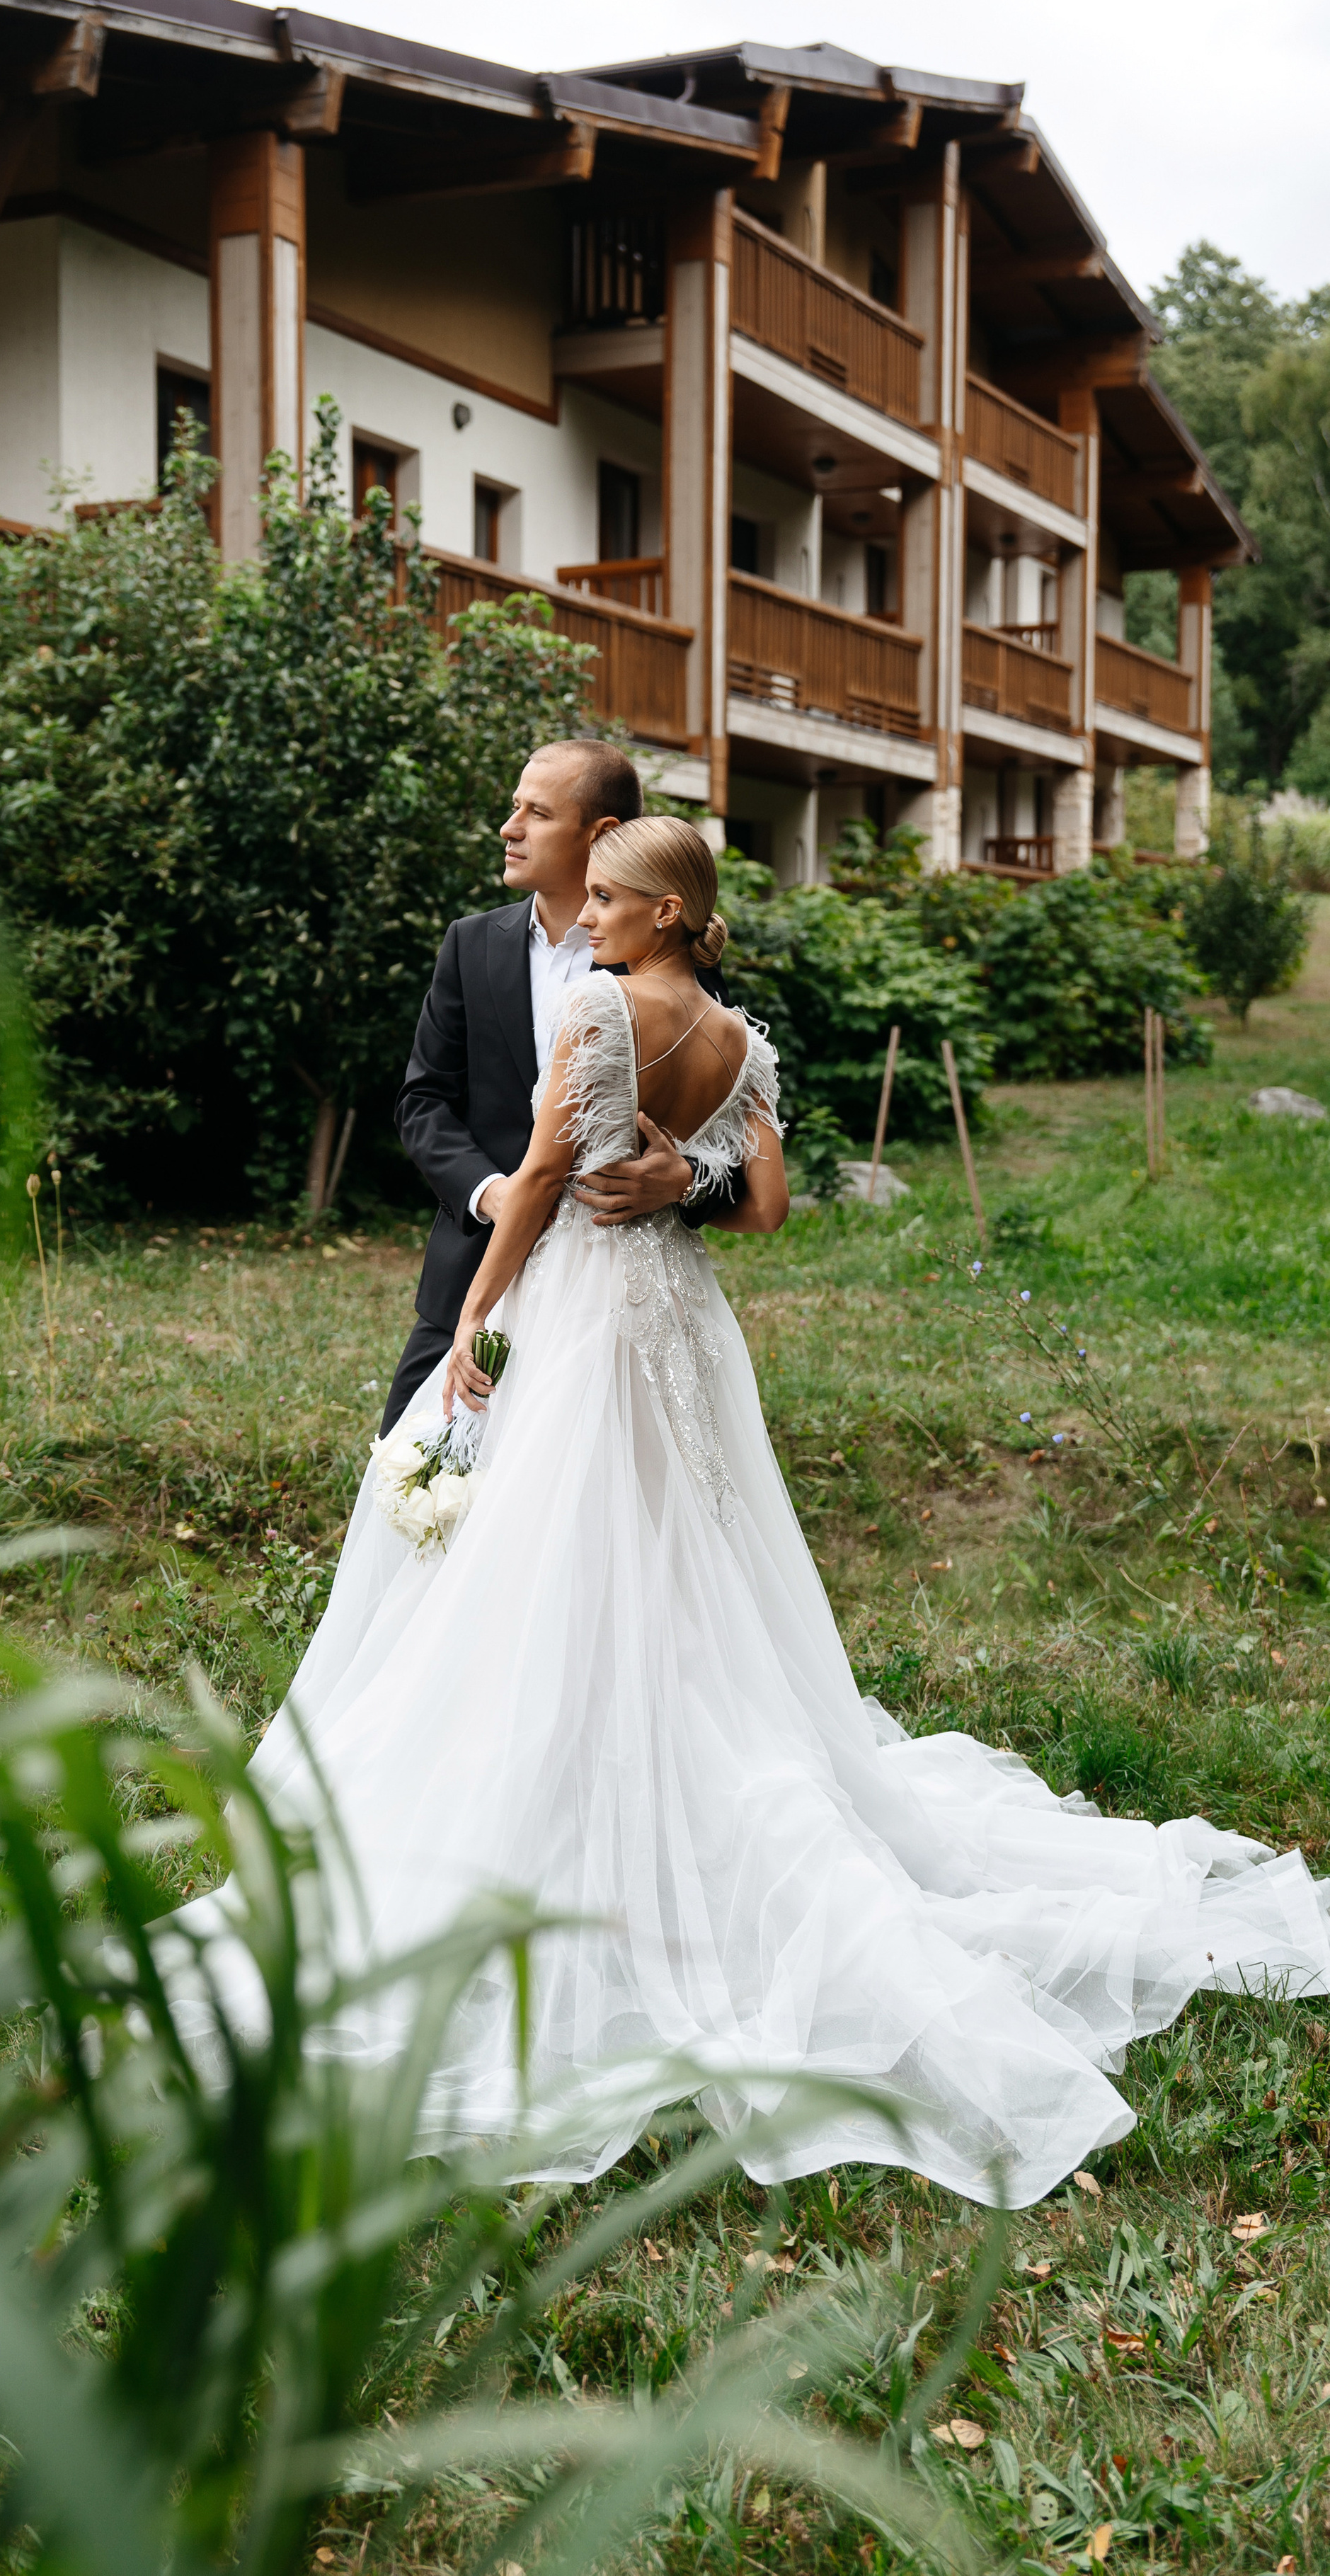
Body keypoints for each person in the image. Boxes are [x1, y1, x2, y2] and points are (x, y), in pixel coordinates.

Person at [202, 815, 1330, 2207]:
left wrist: (470, 1320)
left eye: (613, 899)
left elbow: (545, 1173)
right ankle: (671, 1742)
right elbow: (766, 1210)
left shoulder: (599, 1012)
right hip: (679, 1319)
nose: (591, 915)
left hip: (582, 1312)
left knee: (562, 1550)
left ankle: (564, 1790)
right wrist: (691, 1178)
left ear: (669, 914)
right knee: (681, 1554)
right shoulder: (738, 1039)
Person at [382, 738, 766, 1438]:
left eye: (536, 812)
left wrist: (683, 1181)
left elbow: (742, 1150)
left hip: (606, 1312)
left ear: (602, 834)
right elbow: (422, 1099)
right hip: (470, 1274)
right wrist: (489, 1191)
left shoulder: (677, 969)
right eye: (512, 808)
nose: (509, 828)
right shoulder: (470, 946)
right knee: (411, 1491)